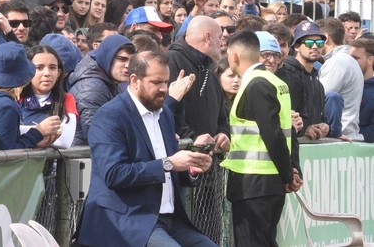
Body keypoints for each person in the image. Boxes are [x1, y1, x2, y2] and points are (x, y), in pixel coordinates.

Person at [78, 49, 220, 247]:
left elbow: (169, 168)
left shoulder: (165, 115)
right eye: (156, 82)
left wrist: (190, 168)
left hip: (169, 220)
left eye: (165, 82)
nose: (163, 89)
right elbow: (114, 174)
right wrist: (169, 163)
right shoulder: (110, 116)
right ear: (134, 80)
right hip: (128, 221)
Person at [222, 32, 299, 247]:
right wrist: (290, 170)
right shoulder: (274, 81)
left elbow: (273, 134)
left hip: (254, 183)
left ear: (234, 56)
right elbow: (287, 131)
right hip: (268, 182)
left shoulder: (256, 84)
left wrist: (288, 174)